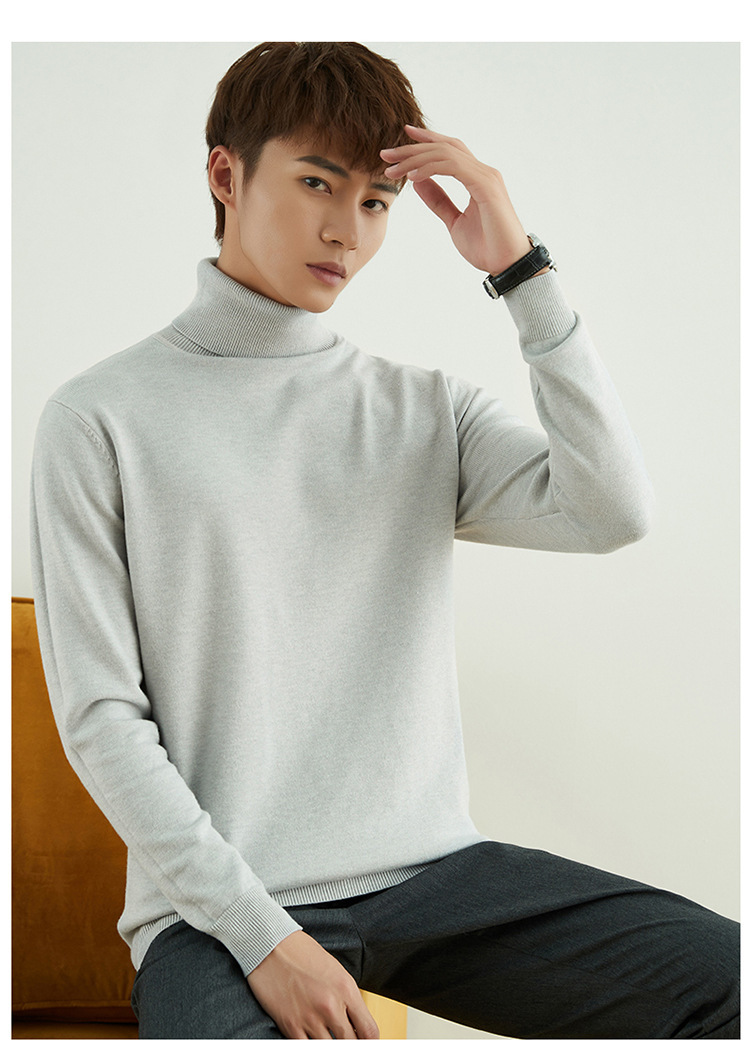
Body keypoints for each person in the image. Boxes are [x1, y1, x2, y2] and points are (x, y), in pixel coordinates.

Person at [30, 42, 739, 1040]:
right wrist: (262, 937)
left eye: (376, 201)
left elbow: (612, 510)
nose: (348, 231)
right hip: (218, 914)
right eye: (318, 183)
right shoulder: (99, 419)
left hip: (435, 879)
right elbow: (102, 716)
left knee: (731, 983)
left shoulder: (423, 411)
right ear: (225, 174)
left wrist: (521, 270)